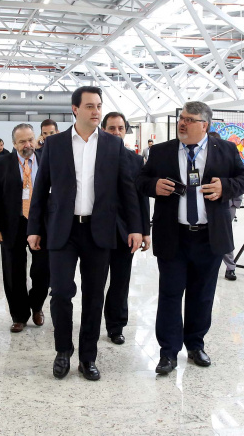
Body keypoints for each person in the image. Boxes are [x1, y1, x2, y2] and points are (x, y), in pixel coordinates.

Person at [27, 86, 142, 382]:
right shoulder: (54, 144)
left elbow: (126, 190)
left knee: (94, 296)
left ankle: (88, 357)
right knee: (62, 292)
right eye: (90, 106)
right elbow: (40, 190)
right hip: (62, 231)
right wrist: (34, 229)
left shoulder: (112, 146)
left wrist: (137, 228)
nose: (96, 111)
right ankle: (63, 351)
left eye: (99, 105)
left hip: (98, 231)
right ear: (75, 109)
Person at [136, 101, 244, 375]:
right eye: (181, 118)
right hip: (172, 236)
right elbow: (139, 180)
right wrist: (154, 186)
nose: (182, 123)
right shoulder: (161, 151)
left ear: (205, 125)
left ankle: (196, 345)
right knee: (170, 294)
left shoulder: (225, 150)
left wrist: (226, 186)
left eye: (189, 119)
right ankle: (168, 352)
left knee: (202, 296)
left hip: (209, 237)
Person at [0, 123, 50, 333]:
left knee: (43, 270)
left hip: (40, 224)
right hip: (11, 224)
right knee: (13, 272)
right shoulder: (1, 163)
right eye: (22, 141)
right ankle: (19, 315)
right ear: (14, 144)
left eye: (30, 139)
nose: (27, 144)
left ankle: (37, 305)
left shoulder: (45, 159)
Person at [100, 112, 151, 345]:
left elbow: (141, 198)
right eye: (111, 128)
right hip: (96, 230)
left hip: (125, 232)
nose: (116, 132)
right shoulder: (93, 156)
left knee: (121, 281)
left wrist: (145, 230)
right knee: (95, 281)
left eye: (120, 128)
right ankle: (90, 322)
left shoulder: (135, 160)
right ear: (103, 130)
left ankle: (116, 325)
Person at [211, 132, 241, 281]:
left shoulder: (228, 157)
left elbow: (240, 180)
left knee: (224, 234)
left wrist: (235, 204)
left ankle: (230, 267)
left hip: (227, 205)